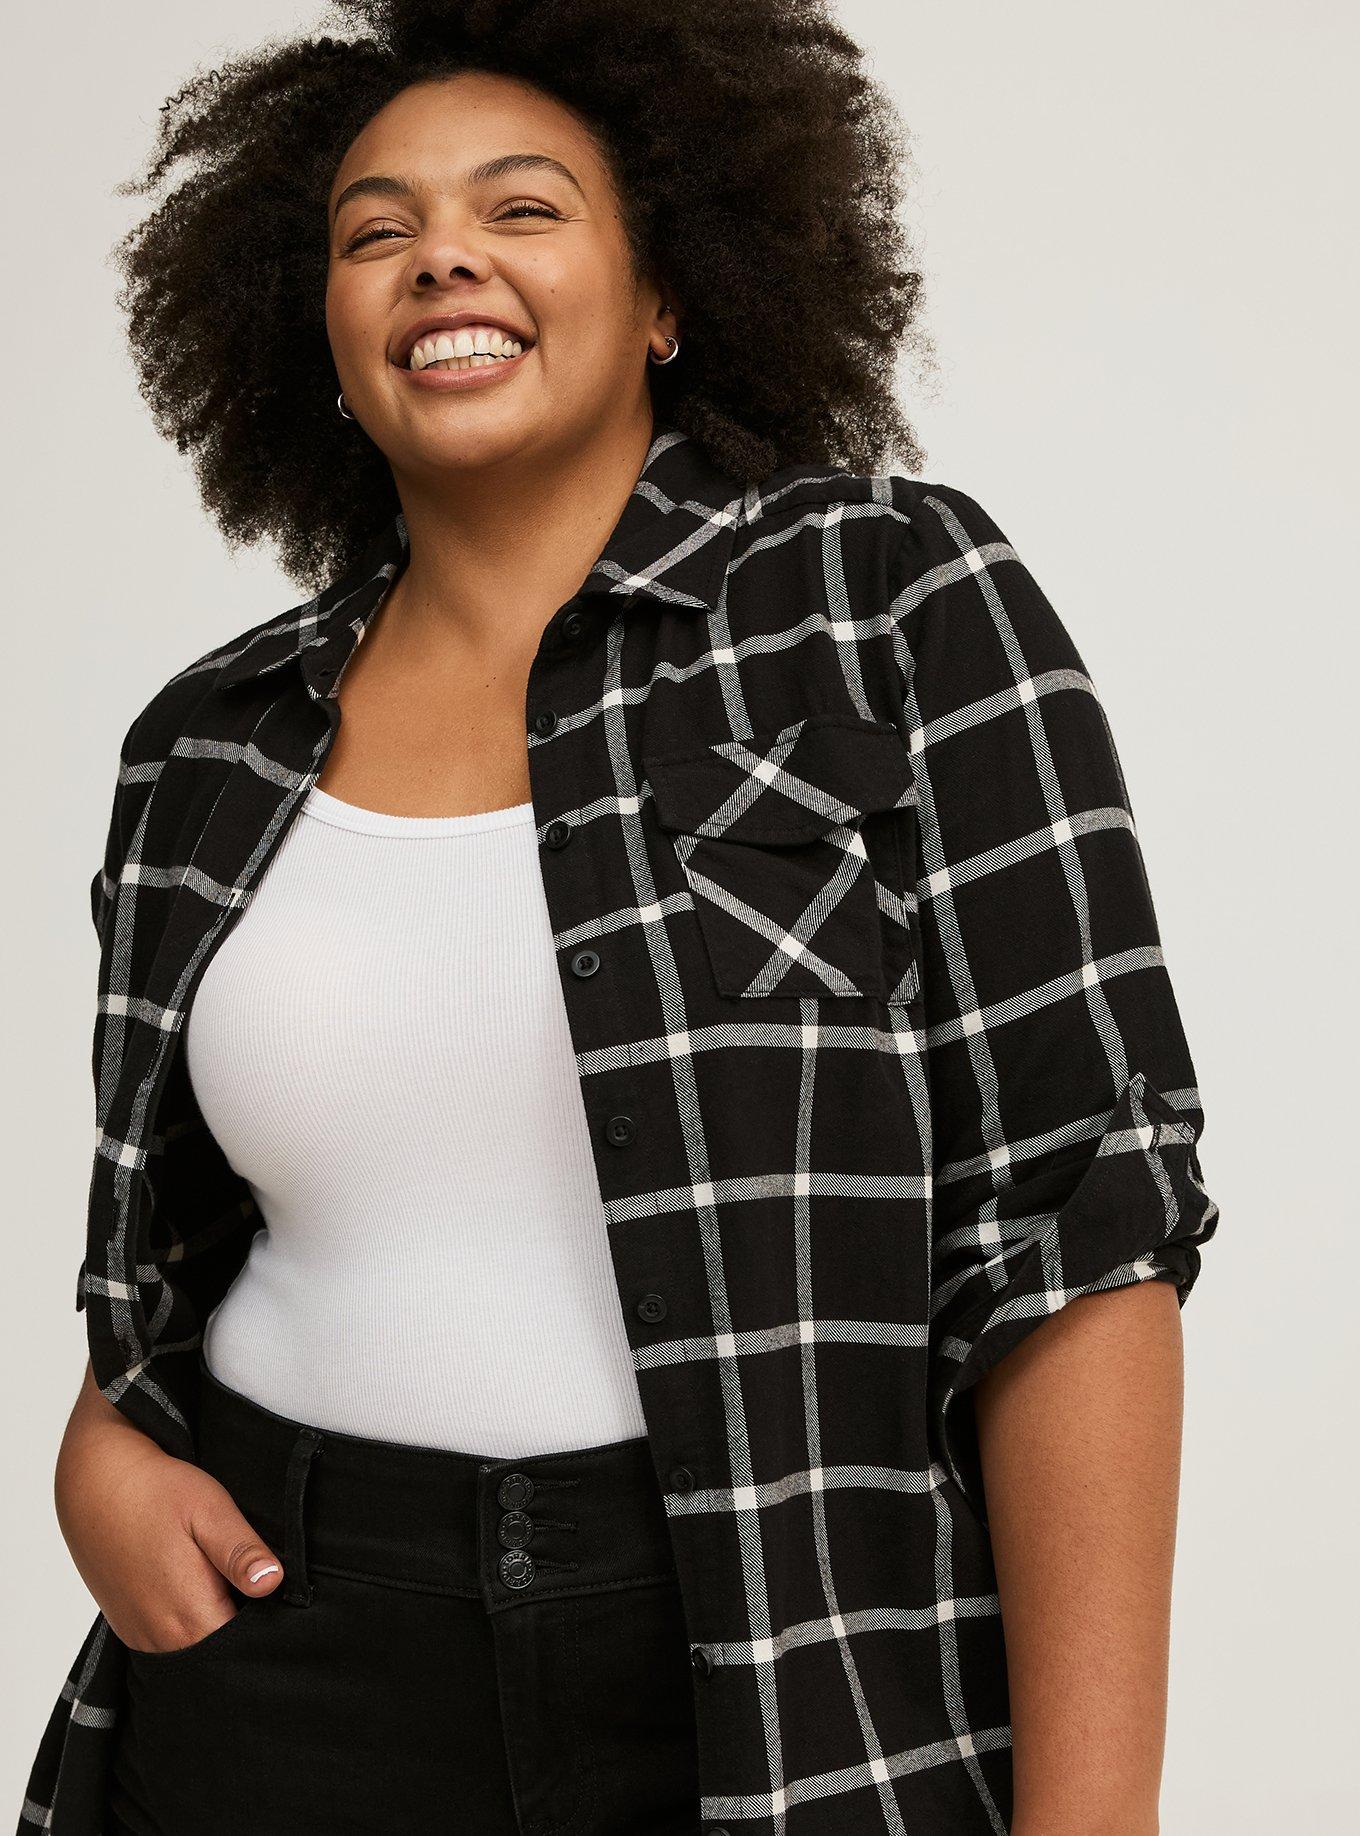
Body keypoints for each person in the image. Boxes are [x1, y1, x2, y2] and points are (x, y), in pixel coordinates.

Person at [20, 2, 1219, 1833]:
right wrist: (99, 1447)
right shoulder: (208, 742)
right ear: (317, 331)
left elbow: (1078, 1232)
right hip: (278, 1670)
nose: (443, 257)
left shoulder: (886, 602)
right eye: (374, 230)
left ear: (666, 293)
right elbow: (178, 1234)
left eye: (523, 208)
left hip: (759, 1676)